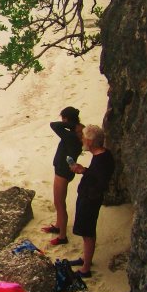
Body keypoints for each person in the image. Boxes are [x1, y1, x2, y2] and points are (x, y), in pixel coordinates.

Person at [69, 125, 115, 278]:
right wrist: (85, 171)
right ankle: (85, 259)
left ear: (89, 141)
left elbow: (100, 181)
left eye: (83, 137)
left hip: (90, 198)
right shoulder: (103, 155)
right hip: (88, 196)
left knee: (87, 232)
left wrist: (84, 171)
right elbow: (97, 176)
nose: (82, 139)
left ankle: (85, 268)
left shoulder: (102, 158)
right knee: (86, 231)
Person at [43, 107, 84, 246]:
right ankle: (58, 226)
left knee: (60, 204)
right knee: (58, 202)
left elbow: (53, 125)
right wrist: (73, 124)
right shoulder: (76, 133)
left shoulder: (71, 135)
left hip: (63, 172)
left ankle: (62, 236)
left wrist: (70, 124)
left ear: (66, 119)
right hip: (63, 170)